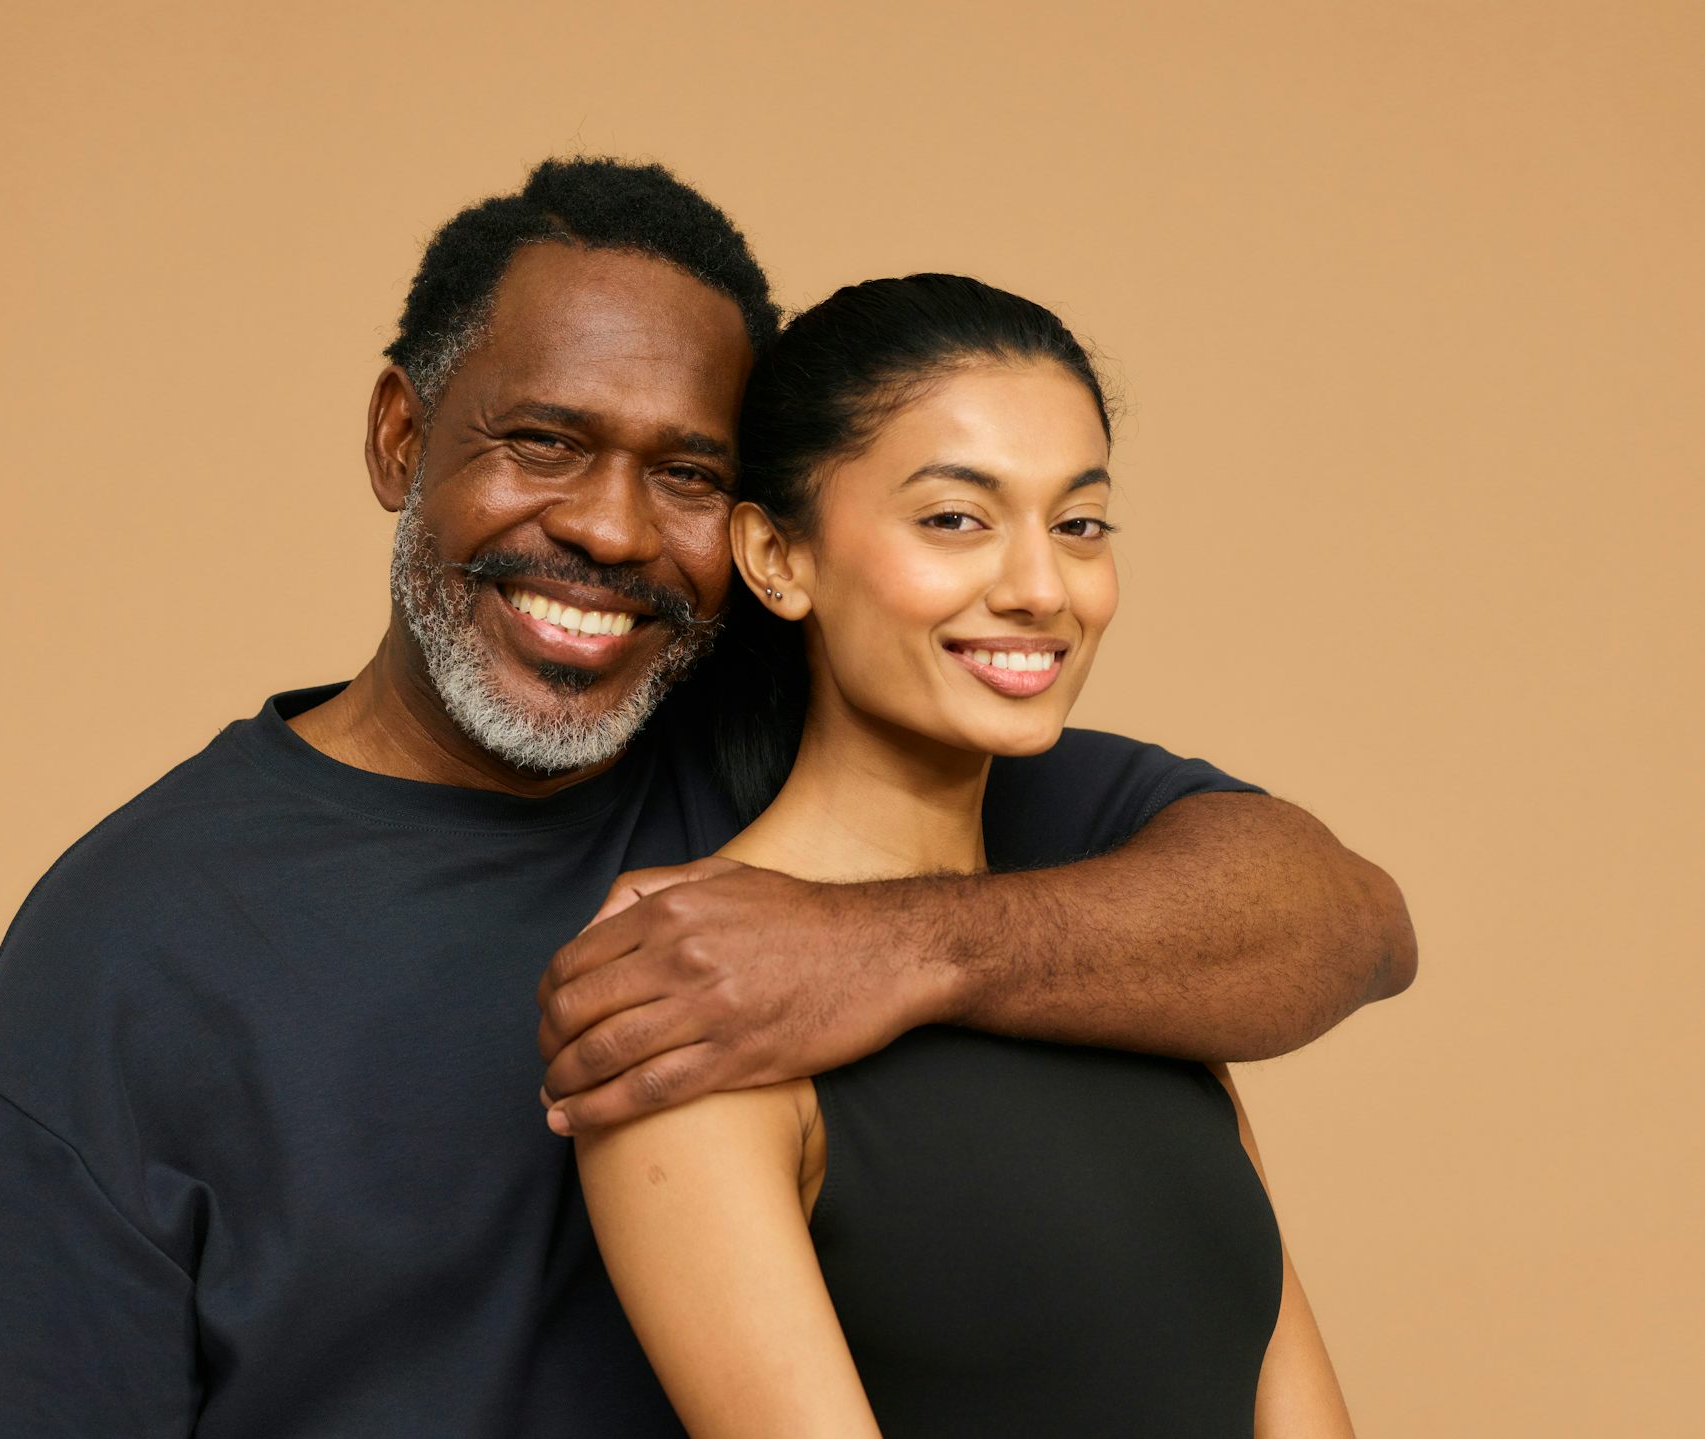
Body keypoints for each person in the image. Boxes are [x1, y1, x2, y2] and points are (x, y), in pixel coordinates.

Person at [0, 159, 1412, 1436]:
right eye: (543, 441)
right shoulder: (140, 935)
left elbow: (1340, 920)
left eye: (683, 474)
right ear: (402, 438)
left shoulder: (836, 762)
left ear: (755, 538)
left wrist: (883, 947)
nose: (606, 529)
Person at [578, 273, 1354, 1437]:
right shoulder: (690, 1002)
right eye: (956, 518)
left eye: (1079, 523)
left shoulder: (1131, 968)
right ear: (777, 555)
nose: (1043, 588)